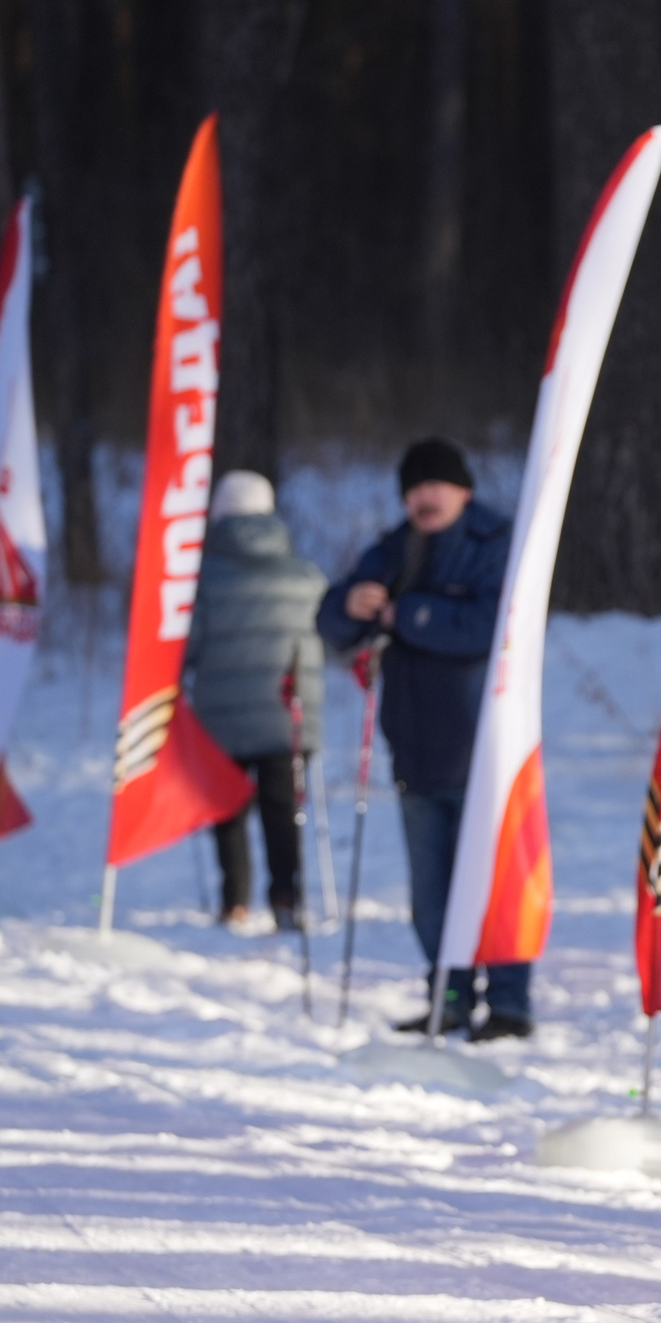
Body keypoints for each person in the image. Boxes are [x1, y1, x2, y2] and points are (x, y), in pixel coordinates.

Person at [314, 438, 532, 1041]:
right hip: (414, 748)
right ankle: (450, 997)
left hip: (484, 748)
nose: (424, 498)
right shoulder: (394, 548)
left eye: (436, 485)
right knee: (430, 893)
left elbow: (490, 626)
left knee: (493, 882)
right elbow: (331, 620)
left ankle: (510, 1003)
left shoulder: (497, 544)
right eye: (414, 489)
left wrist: (405, 616)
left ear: (464, 490)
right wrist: (348, 606)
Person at [186, 470, 327, 931]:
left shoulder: (201, 578)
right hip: (288, 714)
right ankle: (286, 898)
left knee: (226, 807)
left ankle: (235, 903)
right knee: (282, 809)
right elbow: (326, 639)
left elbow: (187, 647)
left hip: (219, 719)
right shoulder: (305, 574)